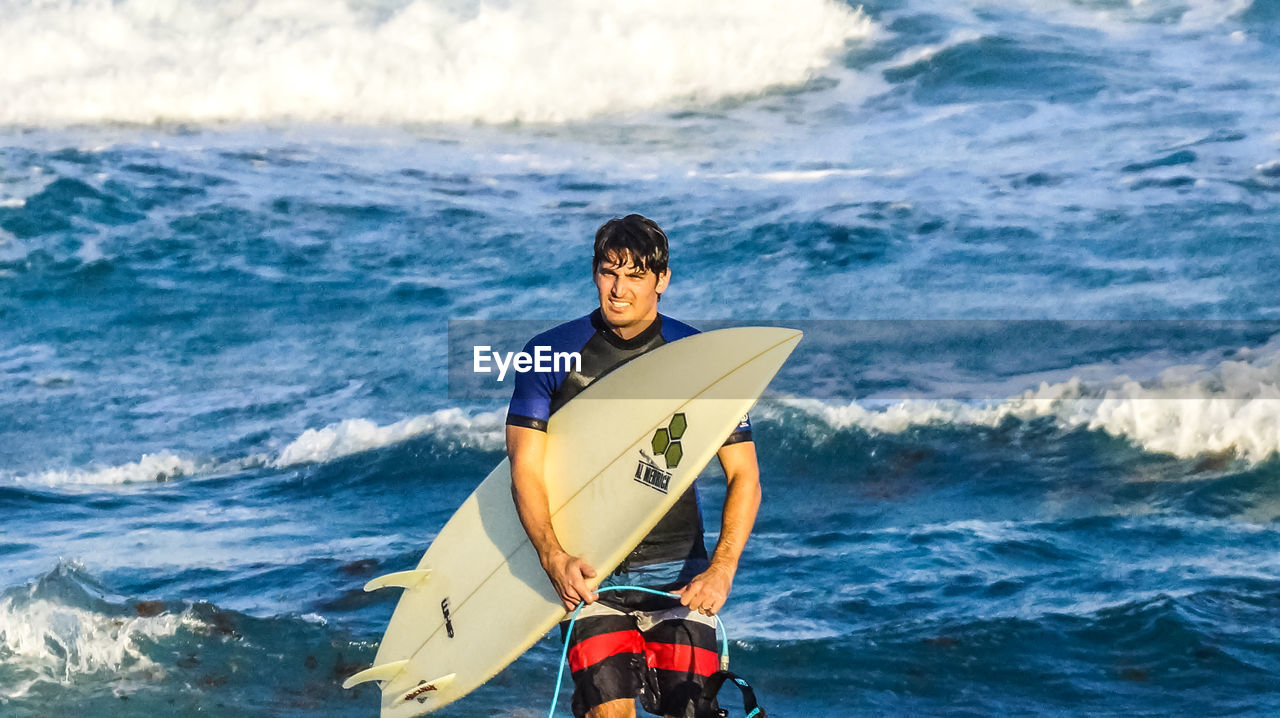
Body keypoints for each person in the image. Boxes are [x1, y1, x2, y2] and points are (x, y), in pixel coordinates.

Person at [505, 214, 763, 718]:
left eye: (635, 276)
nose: (619, 289)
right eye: (608, 272)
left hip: (681, 576)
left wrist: (722, 571)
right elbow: (524, 469)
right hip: (592, 576)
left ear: (662, 279)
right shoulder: (548, 354)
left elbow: (745, 475)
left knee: (694, 713)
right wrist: (553, 557)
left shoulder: (702, 359)